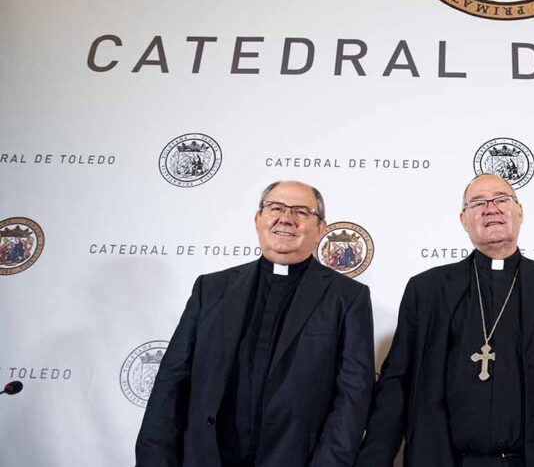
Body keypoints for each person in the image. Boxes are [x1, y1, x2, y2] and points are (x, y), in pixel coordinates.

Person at [356, 174, 534, 467]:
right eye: (478, 202)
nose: (490, 208)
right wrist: (374, 457)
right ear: (464, 219)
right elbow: (396, 385)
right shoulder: (427, 290)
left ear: (520, 211)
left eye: (501, 199)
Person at [136, 180, 374, 467]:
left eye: (301, 211)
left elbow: (353, 396)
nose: (286, 218)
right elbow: (171, 381)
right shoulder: (211, 289)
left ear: (321, 228)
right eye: (275, 208)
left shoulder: (348, 297)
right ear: (258, 219)